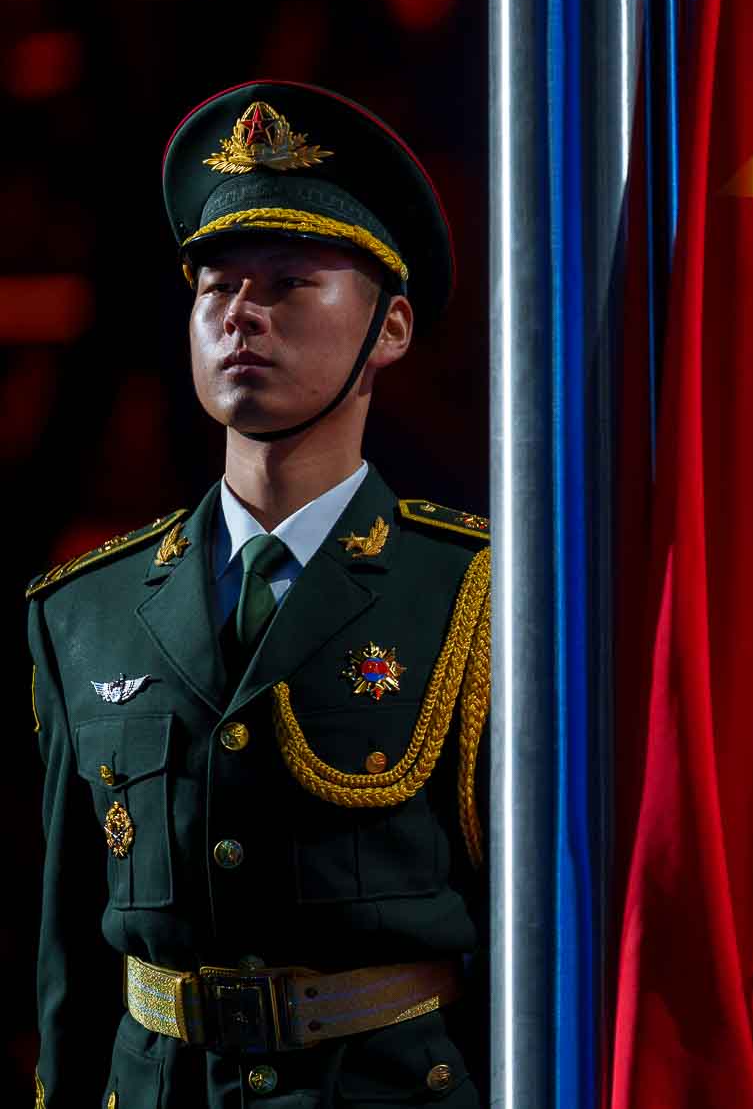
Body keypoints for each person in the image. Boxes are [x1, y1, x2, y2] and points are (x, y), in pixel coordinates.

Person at [28, 82, 491, 1107]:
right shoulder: (85, 613)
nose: (241, 315)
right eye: (216, 288)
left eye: (289, 284)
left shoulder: (474, 595)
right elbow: (70, 964)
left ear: (392, 328)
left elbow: (529, 942)